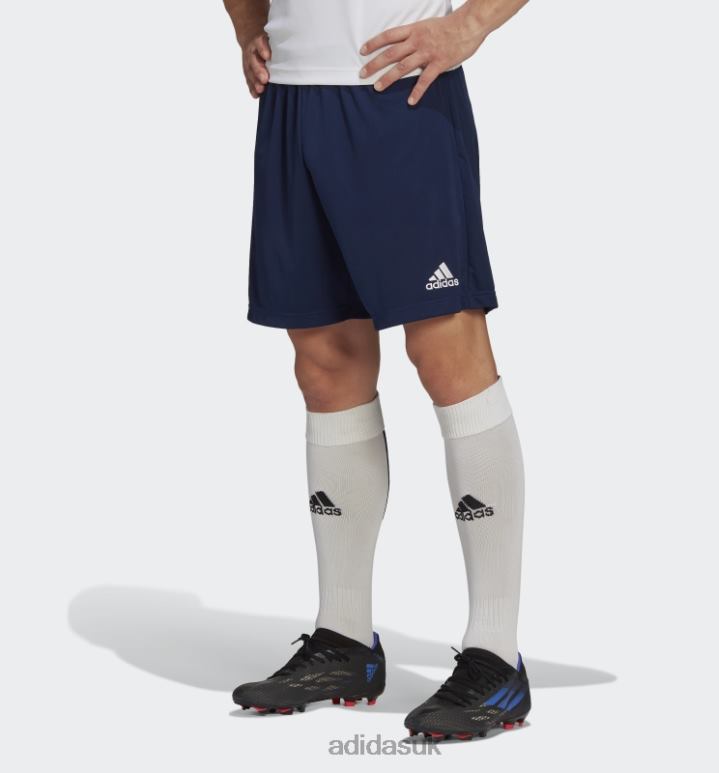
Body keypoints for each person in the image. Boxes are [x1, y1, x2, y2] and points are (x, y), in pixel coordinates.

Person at [223, 0, 531, 741]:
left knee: (446, 351)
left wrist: (469, 25)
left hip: (399, 92)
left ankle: (496, 656)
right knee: (325, 363)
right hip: (293, 99)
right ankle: (344, 639)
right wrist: (248, 26)